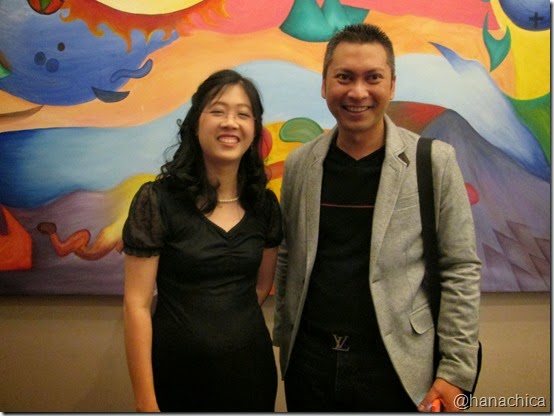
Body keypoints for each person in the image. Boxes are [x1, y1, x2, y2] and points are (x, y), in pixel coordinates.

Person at [273, 23, 481, 412]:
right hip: (309, 367)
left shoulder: (433, 161)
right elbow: (289, 253)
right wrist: (284, 336)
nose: (358, 92)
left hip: (398, 369)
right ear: (324, 85)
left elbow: (460, 268)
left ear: (392, 85)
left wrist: (455, 370)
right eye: (344, 77)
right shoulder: (301, 163)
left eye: (373, 78)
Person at [122, 69, 282, 412]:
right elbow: (136, 306)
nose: (230, 123)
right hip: (175, 377)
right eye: (218, 111)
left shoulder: (265, 205)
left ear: (255, 129)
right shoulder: (157, 200)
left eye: (243, 114)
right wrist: (146, 402)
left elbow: (260, 287)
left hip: (251, 375)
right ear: (196, 123)